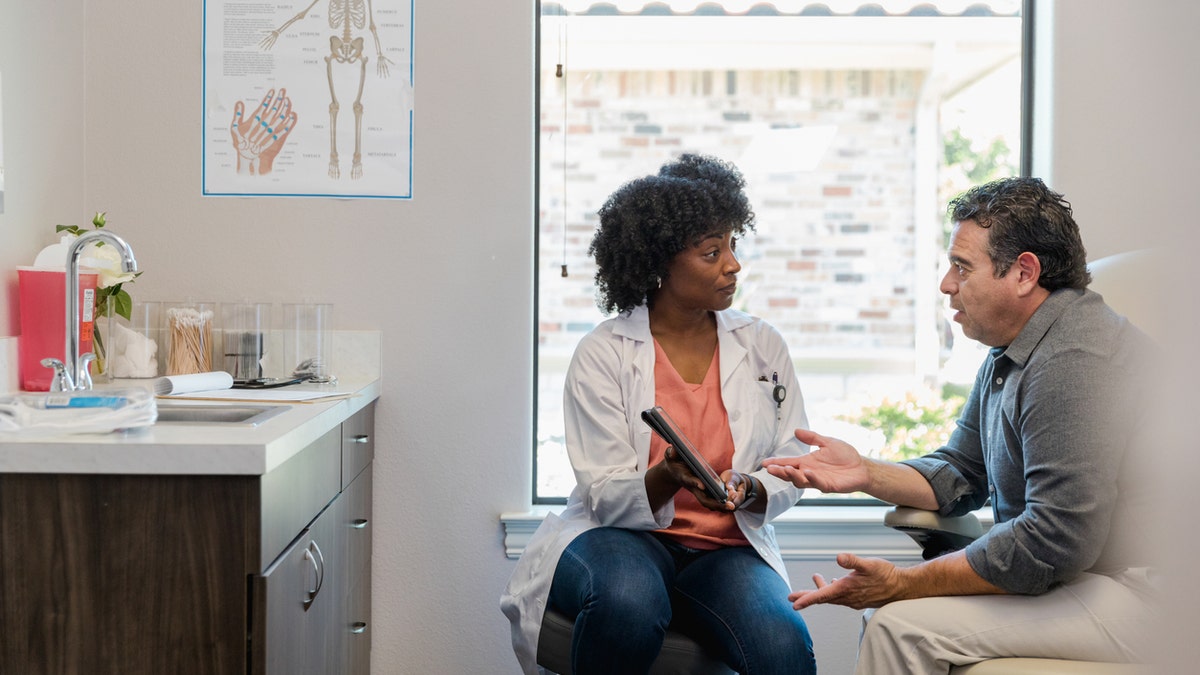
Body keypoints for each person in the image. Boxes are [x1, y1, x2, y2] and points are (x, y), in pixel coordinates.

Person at [763, 177, 1157, 673]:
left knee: (897, 627)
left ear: (1024, 272)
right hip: (1092, 579)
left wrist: (905, 582)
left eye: (962, 267)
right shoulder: (1015, 349)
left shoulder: (1073, 358)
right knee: (893, 617)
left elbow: (1054, 540)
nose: (947, 284)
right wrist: (864, 473)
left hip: (1152, 597)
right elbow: (962, 470)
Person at [501, 154, 817, 675]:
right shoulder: (605, 352)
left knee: (782, 641)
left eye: (734, 245)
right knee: (628, 605)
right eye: (712, 252)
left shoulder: (761, 345)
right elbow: (604, 492)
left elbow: (792, 456)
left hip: (725, 549)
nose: (733, 264)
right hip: (620, 539)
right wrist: (666, 477)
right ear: (660, 263)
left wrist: (753, 487)